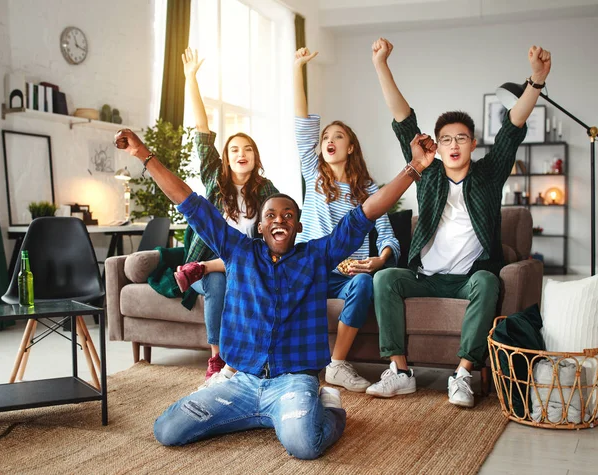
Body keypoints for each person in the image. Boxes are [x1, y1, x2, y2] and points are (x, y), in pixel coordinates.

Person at [114, 121, 434, 458]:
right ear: (261, 225)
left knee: (305, 445)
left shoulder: (316, 256)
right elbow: (190, 202)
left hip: (293, 381)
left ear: (297, 224)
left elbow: (365, 213)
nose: (279, 220)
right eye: (271, 215)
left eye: (288, 215)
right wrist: (142, 154)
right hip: (240, 381)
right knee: (167, 430)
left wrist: (414, 168)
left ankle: (325, 405)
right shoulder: (238, 251)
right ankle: (267, 416)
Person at [367, 38, 551, 408]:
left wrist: (535, 81)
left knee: (487, 281)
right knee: (385, 276)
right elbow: (404, 121)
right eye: (446, 139)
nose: (453, 145)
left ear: (473, 143)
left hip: (468, 279)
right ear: (436, 144)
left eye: (461, 139)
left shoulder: (489, 173)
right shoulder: (429, 174)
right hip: (425, 276)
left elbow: (513, 127)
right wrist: (381, 66)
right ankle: (401, 372)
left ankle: (463, 373)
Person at [149, 48, 278, 381]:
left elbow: (268, 239)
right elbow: (202, 130)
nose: (241, 153)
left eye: (247, 149)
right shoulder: (213, 179)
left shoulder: (267, 190)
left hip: (248, 262)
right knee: (218, 280)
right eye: (234, 149)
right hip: (218, 267)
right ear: (226, 158)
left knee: (239, 264)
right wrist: (191, 78)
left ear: (256, 156)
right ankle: (217, 359)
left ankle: (199, 269)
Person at [293, 47, 402, 392]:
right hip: (309, 266)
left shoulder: (368, 190)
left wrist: (378, 261)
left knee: (364, 284)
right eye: (326, 137)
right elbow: (302, 127)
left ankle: (337, 364)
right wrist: (297, 68)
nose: (329, 140)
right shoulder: (312, 174)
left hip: (346, 274)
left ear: (351, 146)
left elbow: (387, 233)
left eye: (337, 136)